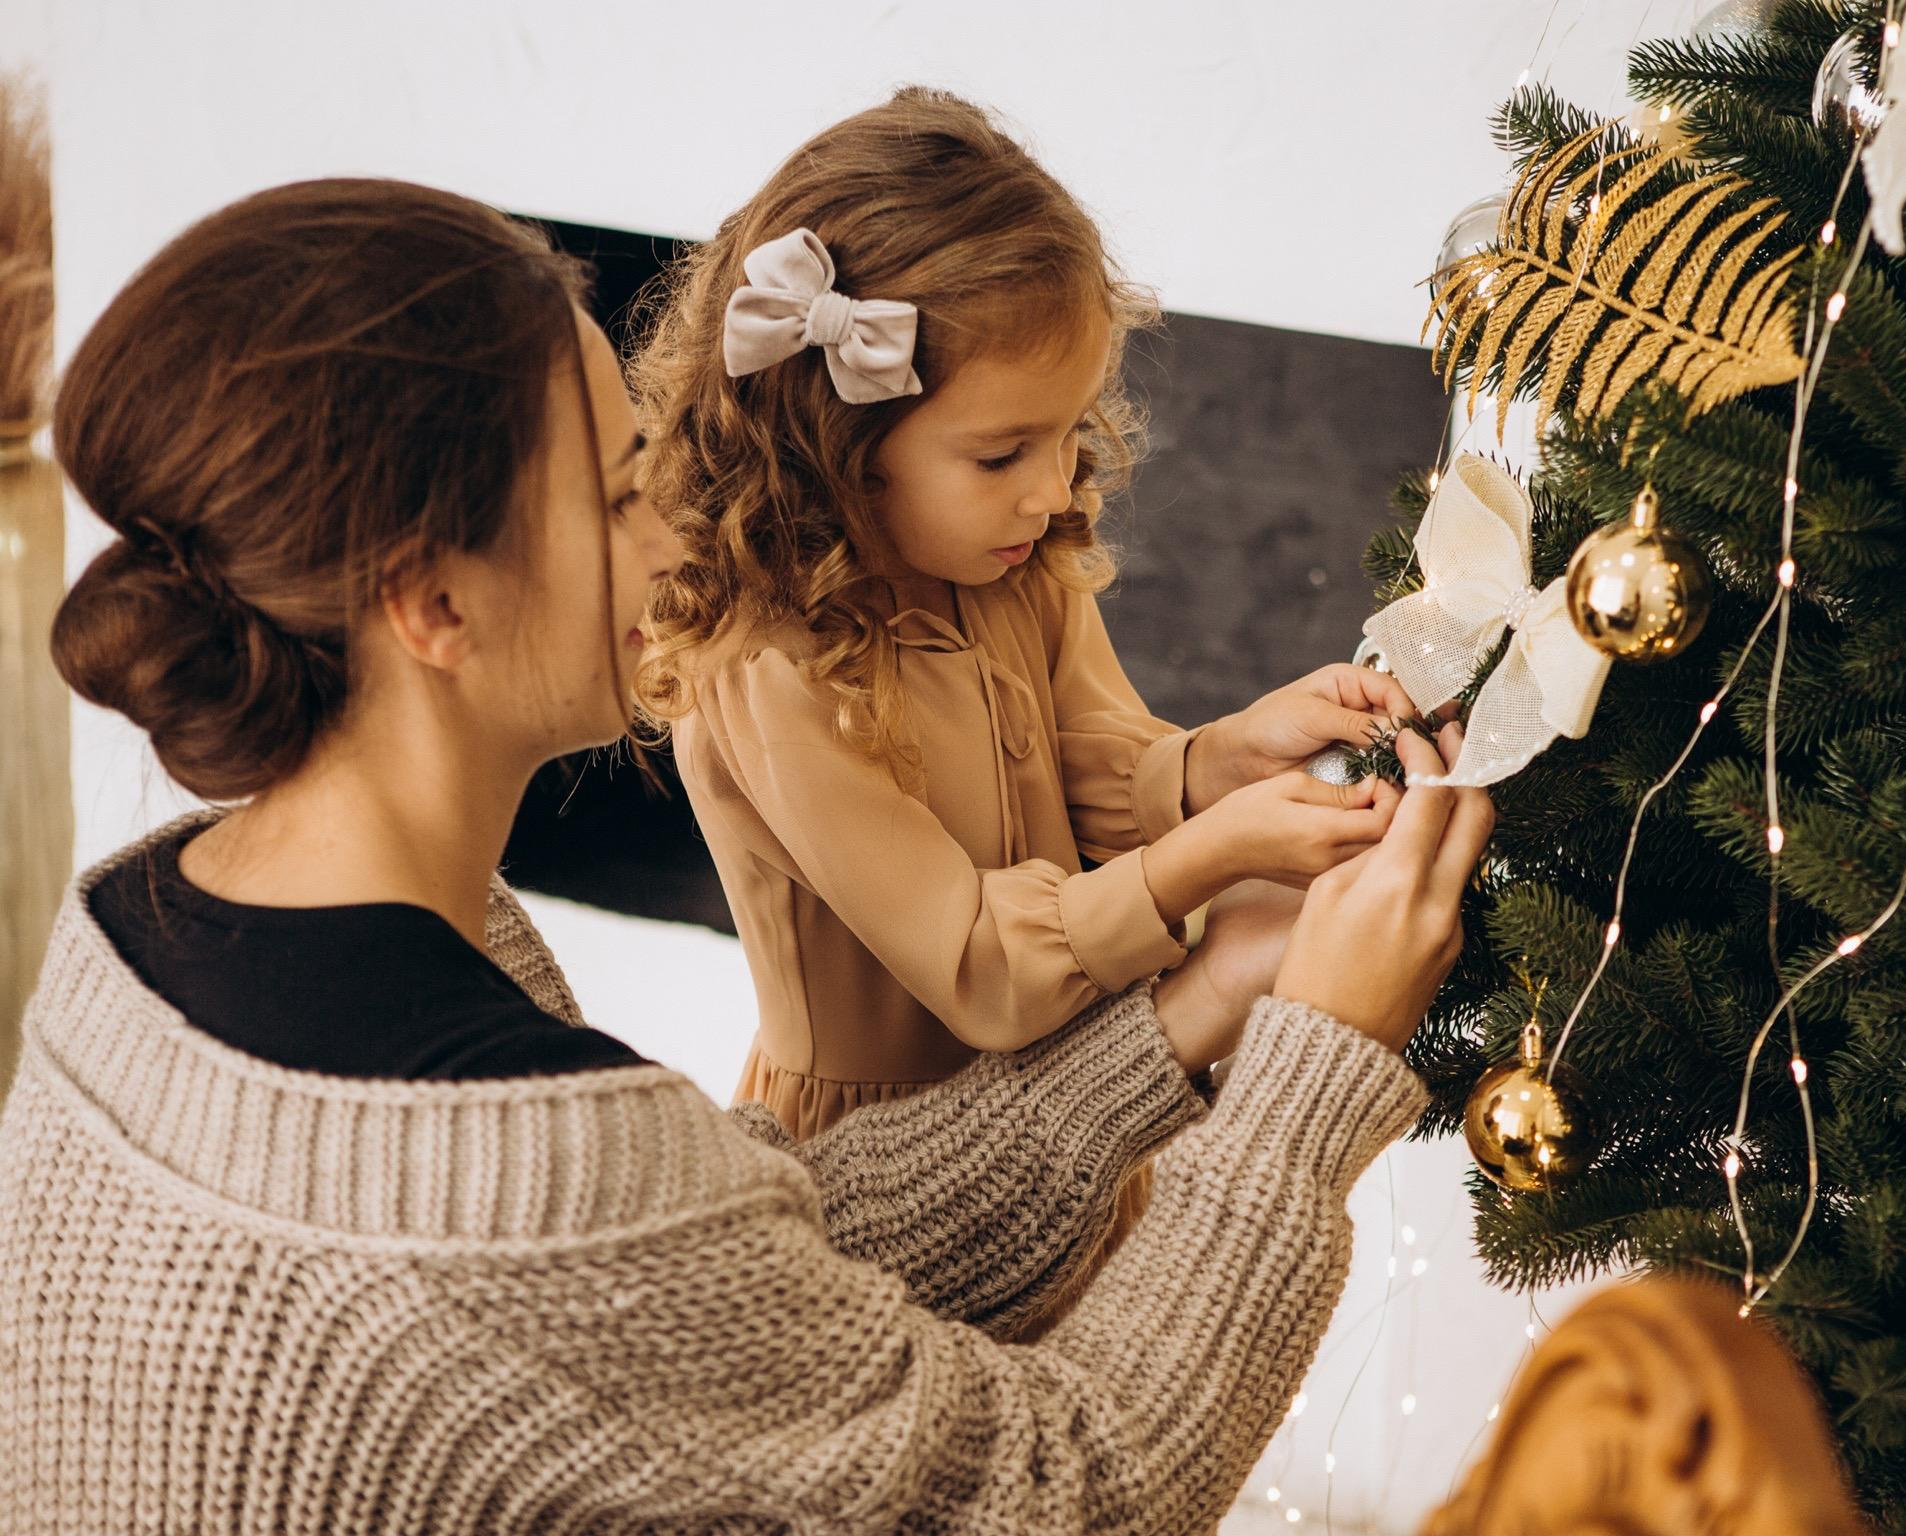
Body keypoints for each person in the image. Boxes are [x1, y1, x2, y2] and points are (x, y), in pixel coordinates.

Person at [1, 175, 1492, 1531]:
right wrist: (1311, 1075)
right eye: (612, 488)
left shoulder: (137, 931)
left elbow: (735, 1270)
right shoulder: (518, 1180)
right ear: (430, 606)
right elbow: (1061, 1488)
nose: (674, 528)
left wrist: (1204, 1000)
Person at [633, 87, 1420, 1139]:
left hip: (1078, 1095)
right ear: (840, 441)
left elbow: (1082, 760)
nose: (1055, 491)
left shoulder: (1008, 559)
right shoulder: (770, 665)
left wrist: (1219, 761)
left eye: (1066, 433)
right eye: (1003, 453)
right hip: (884, 1164)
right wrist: (1215, 854)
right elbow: (977, 967)